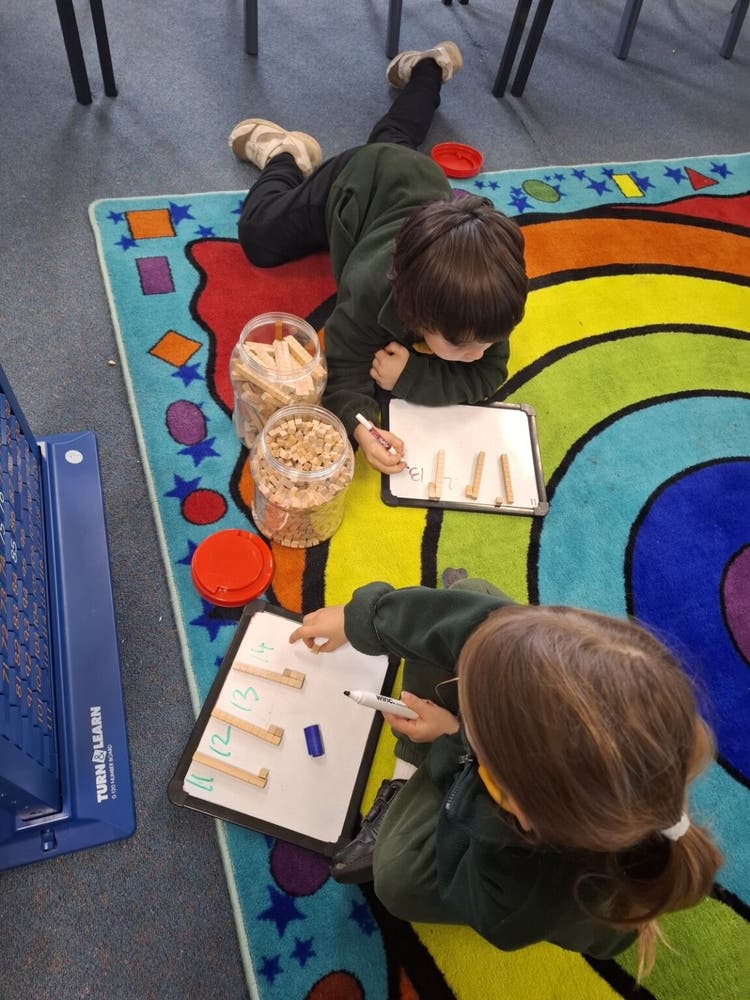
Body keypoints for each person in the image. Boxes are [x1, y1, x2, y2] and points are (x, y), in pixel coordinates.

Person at [289, 578, 723, 976]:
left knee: (397, 882)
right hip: (531, 797)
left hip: (500, 850)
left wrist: (450, 740)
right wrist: (362, 619)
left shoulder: (516, 892)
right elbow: (478, 627)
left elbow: (470, 815)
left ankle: (416, 777)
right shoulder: (627, 738)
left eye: (480, 735)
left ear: (509, 799)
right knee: (471, 605)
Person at [229, 42, 528, 474]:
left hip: (418, 179)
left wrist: (409, 378)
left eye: (485, 342)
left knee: (399, 136)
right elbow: (343, 367)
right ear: (420, 314)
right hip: (352, 186)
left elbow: (488, 373)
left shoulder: (483, 306)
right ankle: (285, 155)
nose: (480, 353)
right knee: (259, 236)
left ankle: (428, 67)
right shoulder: (374, 289)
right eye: (465, 346)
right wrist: (360, 427)